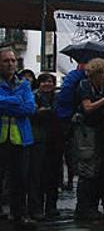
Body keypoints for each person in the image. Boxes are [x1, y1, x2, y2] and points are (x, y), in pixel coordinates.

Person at [73, 58, 104, 220]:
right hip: (86, 131)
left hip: (99, 131)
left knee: (100, 168)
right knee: (87, 168)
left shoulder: (101, 87)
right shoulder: (85, 85)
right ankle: (83, 207)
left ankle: (94, 204)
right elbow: (88, 107)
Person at [0, 48, 37, 230]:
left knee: (20, 180)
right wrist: (16, 101)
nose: (11, 63)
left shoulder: (24, 85)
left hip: (21, 140)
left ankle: (19, 215)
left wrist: (7, 102)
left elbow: (29, 109)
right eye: (6, 60)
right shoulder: (21, 88)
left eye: (13, 60)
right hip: (1, 140)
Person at [27, 73, 64, 220]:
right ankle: (36, 207)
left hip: (55, 140)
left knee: (53, 174)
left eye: (49, 81)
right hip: (38, 139)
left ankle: (51, 206)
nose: (47, 84)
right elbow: (33, 114)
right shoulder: (34, 96)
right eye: (43, 82)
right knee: (37, 174)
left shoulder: (58, 97)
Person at [56, 64, 87, 191]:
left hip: (64, 117)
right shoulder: (80, 78)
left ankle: (65, 181)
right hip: (70, 118)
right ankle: (67, 181)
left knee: (64, 153)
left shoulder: (72, 76)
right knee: (69, 153)